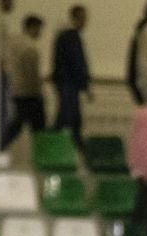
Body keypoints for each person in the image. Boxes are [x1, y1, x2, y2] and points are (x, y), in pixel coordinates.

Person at [3, 14, 46, 147]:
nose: (40, 32)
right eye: (39, 29)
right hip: (29, 93)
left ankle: (0, 145)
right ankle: (42, 152)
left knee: (18, 123)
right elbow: (31, 74)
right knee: (37, 126)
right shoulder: (30, 48)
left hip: (16, 90)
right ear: (32, 28)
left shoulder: (13, 43)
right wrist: (39, 91)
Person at [52, 5, 91, 144]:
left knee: (69, 117)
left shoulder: (65, 36)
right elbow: (77, 62)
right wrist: (85, 85)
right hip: (68, 83)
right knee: (69, 116)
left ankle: (77, 144)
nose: (86, 22)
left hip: (66, 82)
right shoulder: (71, 37)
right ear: (77, 18)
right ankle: (53, 144)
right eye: (84, 19)